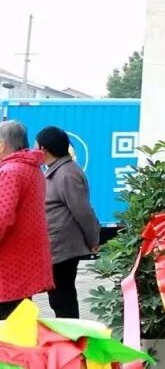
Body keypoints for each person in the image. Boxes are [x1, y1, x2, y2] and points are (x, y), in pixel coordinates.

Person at [38, 125, 100, 319]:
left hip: (63, 248)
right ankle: (67, 333)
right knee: (58, 297)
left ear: (43, 149)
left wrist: (93, 239)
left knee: (62, 298)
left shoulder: (67, 173)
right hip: (56, 247)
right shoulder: (58, 170)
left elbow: (83, 211)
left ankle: (71, 334)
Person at [0, 120, 54, 320]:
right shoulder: (32, 168)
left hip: (7, 269)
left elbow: (2, 218)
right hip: (25, 264)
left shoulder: (9, 171)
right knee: (20, 323)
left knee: (7, 329)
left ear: (2, 145)